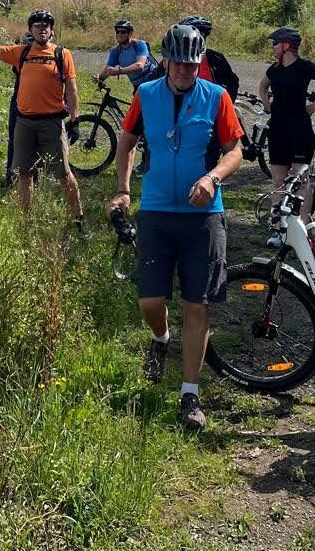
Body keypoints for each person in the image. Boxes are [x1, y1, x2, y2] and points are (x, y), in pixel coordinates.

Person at [108, 23, 244, 432]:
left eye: (192, 63)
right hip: (156, 210)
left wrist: (213, 178)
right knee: (150, 301)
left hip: (204, 216)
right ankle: (161, 338)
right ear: (166, 60)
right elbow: (126, 142)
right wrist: (123, 190)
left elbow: (234, 151)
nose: (185, 70)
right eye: (178, 62)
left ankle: (190, 393)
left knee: (196, 304)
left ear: (199, 62)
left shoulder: (216, 97)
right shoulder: (146, 94)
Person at [0, 6, 85, 235]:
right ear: (30, 30)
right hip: (24, 123)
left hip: (52, 123)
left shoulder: (62, 54)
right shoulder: (21, 53)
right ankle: (25, 223)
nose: (42, 29)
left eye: (46, 26)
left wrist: (74, 121)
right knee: (24, 174)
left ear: (51, 30)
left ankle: (79, 219)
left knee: (64, 174)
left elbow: (72, 91)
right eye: (37, 26)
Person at [256, 27, 315, 223]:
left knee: (300, 179)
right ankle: (278, 224)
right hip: (277, 128)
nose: (273, 47)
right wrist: (267, 104)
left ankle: (303, 223)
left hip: (299, 128)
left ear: (286, 45)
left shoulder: (305, 66)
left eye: (275, 43)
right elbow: (262, 85)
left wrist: (314, 106)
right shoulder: (274, 69)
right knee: (278, 180)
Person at [178, 14, 239, 97]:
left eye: (201, 35)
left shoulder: (216, 58)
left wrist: (225, 101)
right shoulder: (173, 59)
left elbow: (232, 82)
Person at [95, 19, 153, 91]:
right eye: (117, 32)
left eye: (123, 32)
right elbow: (108, 69)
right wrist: (99, 77)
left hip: (152, 80)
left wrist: (119, 71)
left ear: (130, 33)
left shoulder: (139, 44)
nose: (119, 34)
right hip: (138, 85)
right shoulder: (116, 51)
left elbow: (140, 65)